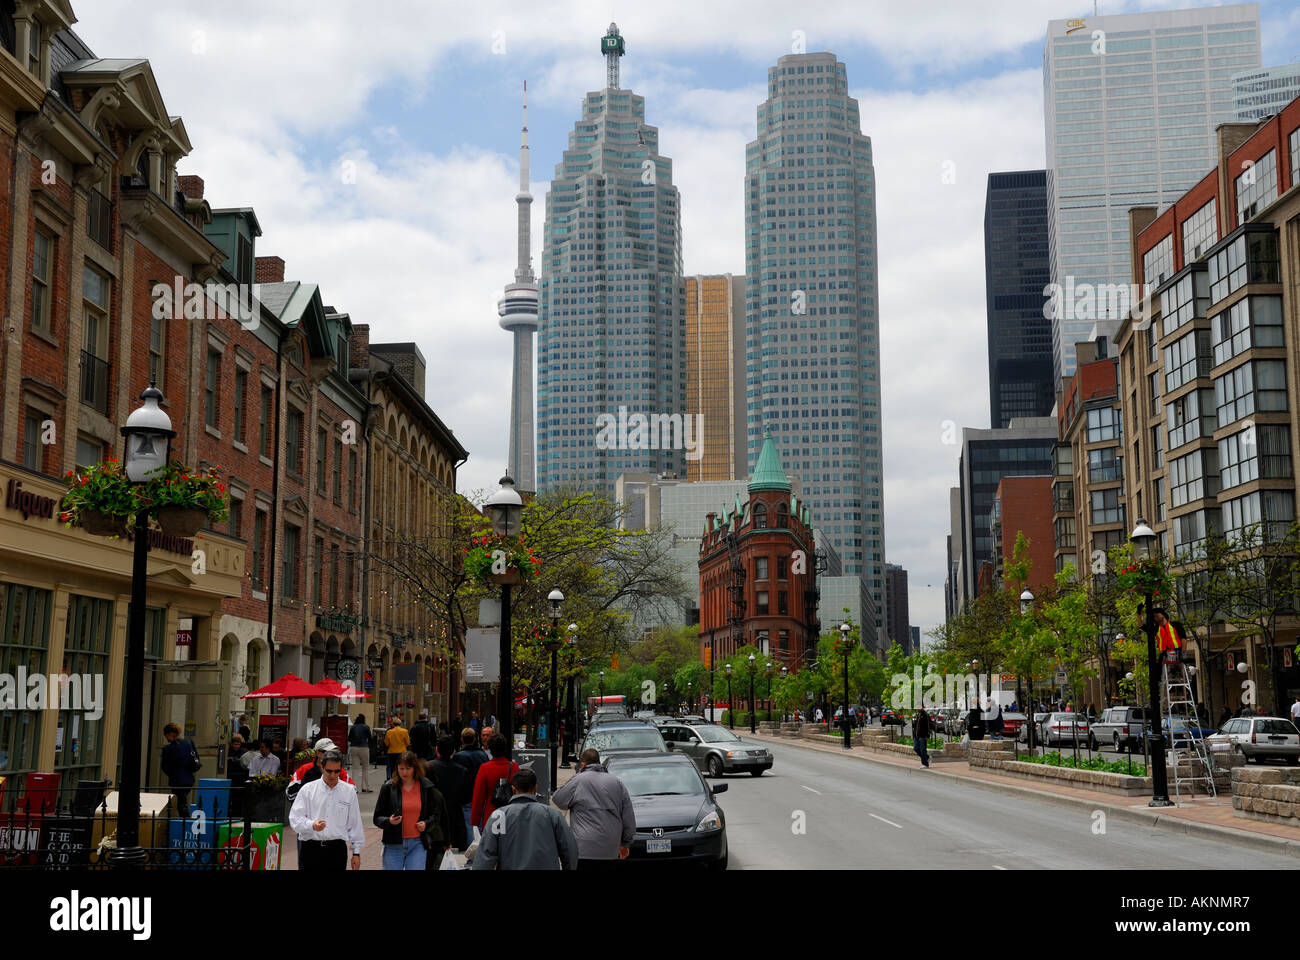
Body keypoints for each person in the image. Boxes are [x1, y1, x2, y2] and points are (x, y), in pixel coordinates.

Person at [471, 768, 576, 871]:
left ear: (513, 789)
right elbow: (569, 850)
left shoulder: (499, 816)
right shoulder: (553, 815)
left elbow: (486, 855)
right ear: (535, 789)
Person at [551, 747, 635, 869]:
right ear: (599, 762)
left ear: (583, 764)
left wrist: (577, 776)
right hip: (610, 849)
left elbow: (558, 799)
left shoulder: (579, 780)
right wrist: (626, 843)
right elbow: (628, 817)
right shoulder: (616, 782)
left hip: (583, 848)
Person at [373, 751, 449, 870]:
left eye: (408, 768)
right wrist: (389, 821)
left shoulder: (426, 787)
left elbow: (435, 815)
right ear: (396, 768)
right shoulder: (388, 787)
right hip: (393, 844)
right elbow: (377, 818)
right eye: (401, 768)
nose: (404, 772)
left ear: (415, 768)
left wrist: (426, 824)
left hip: (418, 843)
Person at [288, 750, 364, 871]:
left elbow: (355, 824)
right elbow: (294, 819)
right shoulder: (308, 790)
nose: (333, 775)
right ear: (322, 767)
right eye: (329, 771)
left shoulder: (349, 791)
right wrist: (311, 825)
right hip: (311, 848)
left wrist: (356, 853)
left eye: (337, 771)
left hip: (337, 850)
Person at [470, 734, 520, 832]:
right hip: (511, 813)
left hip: (491, 812)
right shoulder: (514, 767)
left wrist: (475, 822)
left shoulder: (485, 768)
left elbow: (478, 796)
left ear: (490, 749)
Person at [431, 737, 470, 851]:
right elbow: (466, 797)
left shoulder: (429, 767)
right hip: (455, 815)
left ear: (437, 749)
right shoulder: (462, 770)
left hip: (434, 816)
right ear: (453, 751)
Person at [452, 728, 488, 842]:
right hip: (481, 794)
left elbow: (458, 778)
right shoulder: (482, 755)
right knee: (482, 824)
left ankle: (473, 854)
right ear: (475, 739)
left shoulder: (459, 756)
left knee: (470, 825)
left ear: (462, 740)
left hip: (467, 796)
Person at [160, 722, 199, 817]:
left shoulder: (169, 748)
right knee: (182, 802)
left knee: (181, 804)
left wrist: (171, 774)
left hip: (177, 779)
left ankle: (185, 824)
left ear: (168, 734)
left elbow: (165, 766)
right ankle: (184, 822)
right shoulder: (189, 743)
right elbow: (195, 759)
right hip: (189, 778)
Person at [347, 713, 373, 792]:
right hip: (364, 747)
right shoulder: (366, 727)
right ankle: (365, 787)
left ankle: (354, 787)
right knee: (365, 768)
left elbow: (349, 738)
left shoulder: (353, 727)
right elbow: (370, 738)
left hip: (354, 747)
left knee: (355, 768)